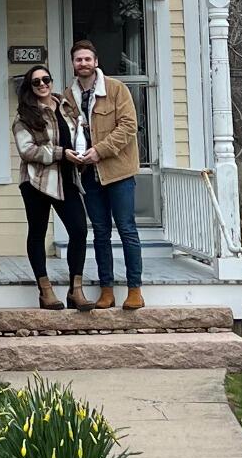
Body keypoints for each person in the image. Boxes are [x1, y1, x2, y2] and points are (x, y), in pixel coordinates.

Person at [65, 39, 145, 311]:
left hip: (118, 170)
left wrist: (100, 150)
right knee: (100, 233)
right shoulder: (69, 96)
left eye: (88, 59)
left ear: (96, 62)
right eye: (78, 60)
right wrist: (73, 154)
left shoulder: (115, 89)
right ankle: (106, 290)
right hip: (89, 173)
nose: (83, 63)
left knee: (127, 229)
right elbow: (68, 131)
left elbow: (128, 126)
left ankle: (134, 290)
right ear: (73, 64)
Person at [12, 64, 90, 311]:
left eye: (46, 79)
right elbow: (27, 150)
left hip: (67, 178)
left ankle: (75, 291)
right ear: (30, 87)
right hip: (37, 181)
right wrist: (60, 153)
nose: (43, 84)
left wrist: (81, 153)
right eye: (36, 82)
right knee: (38, 232)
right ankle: (45, 291)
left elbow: (77, 135)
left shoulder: (66, 108)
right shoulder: (24, 117)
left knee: (78, 230)